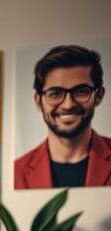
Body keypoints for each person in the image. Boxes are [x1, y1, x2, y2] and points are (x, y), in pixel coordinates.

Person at [15, 45, 110, 188]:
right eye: (55, 93)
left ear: (99, 95)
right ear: (38, 101)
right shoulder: (17, 172)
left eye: (81, 91)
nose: (68, 105)